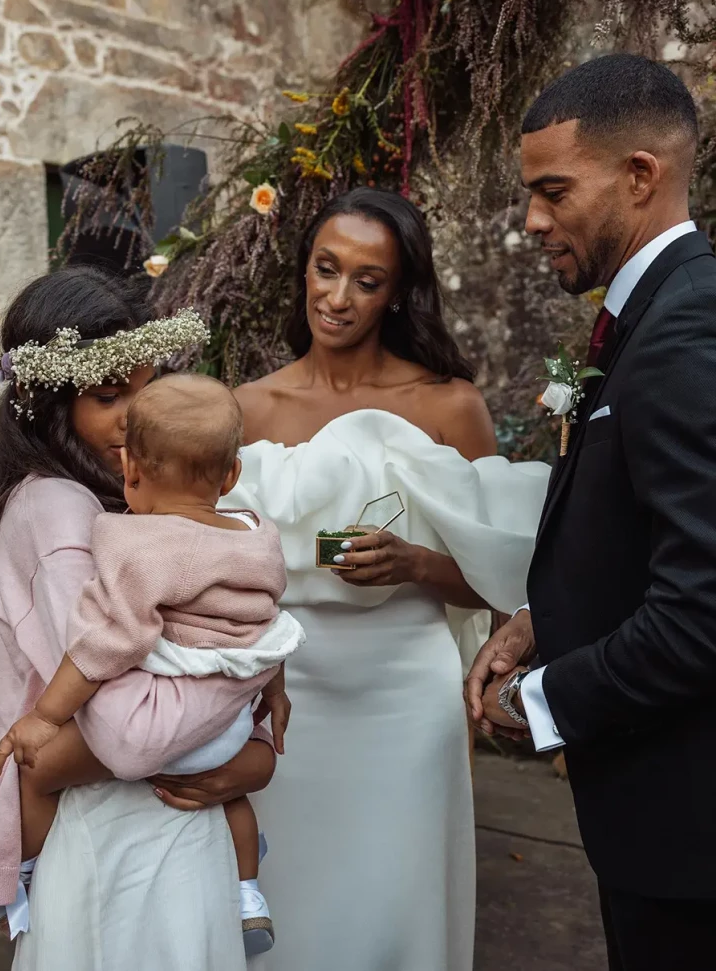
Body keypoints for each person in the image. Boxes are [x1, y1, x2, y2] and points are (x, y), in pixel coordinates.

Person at [228, 187, 550, 971]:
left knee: (393, 900)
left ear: (399, 291)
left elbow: (516, 588)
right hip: (287, 694)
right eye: (325, 269)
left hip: (406, 696)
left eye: (366, 281)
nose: (337, 297)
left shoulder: (447, 405)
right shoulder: (246, 407)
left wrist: (417, 564)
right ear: (303, 269)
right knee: (290, 901)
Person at [466, 54, 716, 970]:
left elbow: (703, 611)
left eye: (553, 191)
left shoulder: (688, 330)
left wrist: (541, 702)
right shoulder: (654, 313)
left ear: (640, 175)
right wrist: (546, 619)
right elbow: (649, 537)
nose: (533, 220)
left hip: (690, 840)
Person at [0, 266, 278, 970]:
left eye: (148, 384)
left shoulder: (129, 502)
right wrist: (256, 677)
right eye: (108, 395)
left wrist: (248, 741)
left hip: (161, 822)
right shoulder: (60, 513)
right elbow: (131, 735)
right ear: (49, 404)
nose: (137, 412)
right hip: (120, 838)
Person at [0, 372, 305, 958]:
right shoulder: (256, 534)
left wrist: (44, 716)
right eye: (107, 396)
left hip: (157, 753)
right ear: (232, 475)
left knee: (33, 776)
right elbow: (266, 623)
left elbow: (104, 646)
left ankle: (24, 872)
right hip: (233, 726)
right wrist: (272, 689)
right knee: (233, 800)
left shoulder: (136, 546)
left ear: (133, 473)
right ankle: (248, 896)